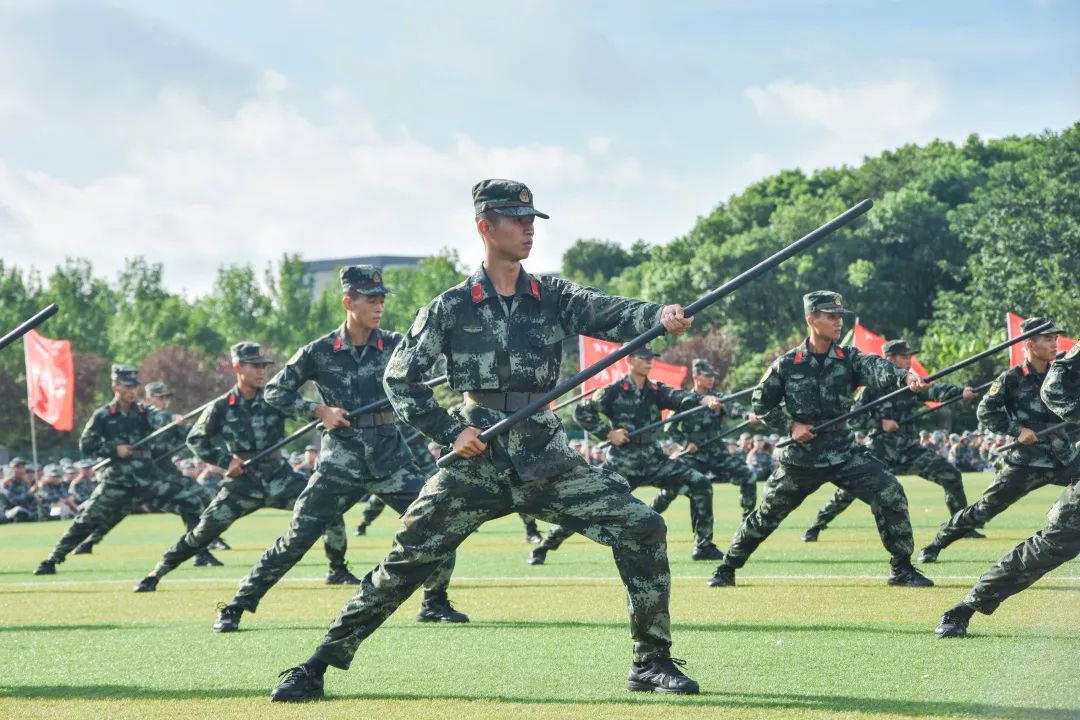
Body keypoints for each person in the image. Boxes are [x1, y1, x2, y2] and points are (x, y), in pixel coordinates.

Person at [269, 179, 700, 702]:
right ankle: (317, 665)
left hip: (546, 456)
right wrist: (452, 431)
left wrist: (659, 317)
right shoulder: (451, 307)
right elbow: (400, 380)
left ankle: (650, 661)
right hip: (477, 460)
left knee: (644, 527)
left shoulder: (553, 296)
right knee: (406, 563)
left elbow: (608, 312)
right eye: (516, 220)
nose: (528, 229)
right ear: (484, 227)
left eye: (531, 220)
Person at [212, 266, 466, 634]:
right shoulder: (318, 352)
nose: (379, 306)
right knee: (297, 537)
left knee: (438, 523)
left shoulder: (397, 345)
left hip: (390, 457)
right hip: (339, 461)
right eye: (370, 300)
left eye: (381, 299)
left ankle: (435, 601)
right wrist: (318, 410)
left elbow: (439, 367)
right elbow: (275, 392)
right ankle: (237, 605)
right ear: (349, 302)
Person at [708, 291, 934, 589]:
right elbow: (761, 404)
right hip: (801, 459)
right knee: (766, 515)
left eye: (840, 316)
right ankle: (727, 568)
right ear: (811, 319)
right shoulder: (787, 364)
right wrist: (791, 426)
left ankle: (902, 569)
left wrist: (905, 377)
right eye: (831, 316)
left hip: (844, 453)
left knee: (890, 491)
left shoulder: (849, 358)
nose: (839, 322)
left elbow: (877, 367)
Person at [133, 342, 354, 593]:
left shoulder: (274, 398)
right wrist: (226, 462)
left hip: (279, 478)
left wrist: (325, 413)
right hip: (243, 483)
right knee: (204, 531)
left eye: (264, 366)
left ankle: (337, 570)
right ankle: (157, 573)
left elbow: (306, 409)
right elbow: (195, 439)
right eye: (255, 366)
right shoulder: (221, 406)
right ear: (238, 368)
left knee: (329, 509)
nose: (262, 371)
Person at [936, 340, 1080, 637]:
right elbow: (1054, 390)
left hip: (1060, 457)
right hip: (1027, 460)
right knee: (1049, 545)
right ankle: (967, 606)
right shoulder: (1016, 377)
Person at [529, 348, 725, 564]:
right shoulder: (613, 391)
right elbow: (582, 411)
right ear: (630, 360)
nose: (650, 362)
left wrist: (702, 400)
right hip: (623, 463)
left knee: (700, 483)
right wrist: (608, 433)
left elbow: (679, 397)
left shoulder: (655, 390)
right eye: (644, 358)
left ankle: (703, 545)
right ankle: (546, 545)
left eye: (652, 358)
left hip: (654, 460)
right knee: (588, 505)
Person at [919, 318, 1079, 563]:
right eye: (1048, 338)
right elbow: (985, 411)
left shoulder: (1063, 374)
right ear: (1029, 344)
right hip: (1026, 462)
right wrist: (1017, 430)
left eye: (1055, 338)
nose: (1054, 343)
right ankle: (936, 543)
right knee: (985, 509)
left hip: (1064, 456)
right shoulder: (1011, 378)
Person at [34, 365, 207, 575]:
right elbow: (86, 445)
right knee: (87, 520)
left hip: (148, 480)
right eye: (127, 386)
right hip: (118, 481)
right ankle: (53, 559)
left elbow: (160, 418)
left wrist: (175, 420)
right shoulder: (104, 415)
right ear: (116, 386)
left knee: (191, 500)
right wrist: (113, 450)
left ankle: (199, 551)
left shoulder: (144, 412)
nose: (132, 391)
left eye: (135, 386)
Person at [801, 339, 979, 542]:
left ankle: (962, 527)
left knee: (951, 475)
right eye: (904, 357)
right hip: (879, 451)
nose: (909, 360)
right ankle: (816, 526)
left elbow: (934, 390)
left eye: (910, 356)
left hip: (909, 450)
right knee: (847, 492)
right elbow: (853, 419)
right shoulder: (870, 389)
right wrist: (880, 421)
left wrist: (961, 393)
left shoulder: (912, 384)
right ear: (889, 359)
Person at [71, 381, 217, 562]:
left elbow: (190, 435)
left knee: (195, 499)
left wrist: (186, 425)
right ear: (148, 398)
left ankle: (203, 544)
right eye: (160, 398)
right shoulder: (141, 416)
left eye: (166, 398)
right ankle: (88, 542)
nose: (164, 402)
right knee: (117, 511)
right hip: (138, 475)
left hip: (163, 473)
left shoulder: (166, 419)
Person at [655, 358, 759, 519]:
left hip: (717, 452)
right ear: (696, 376)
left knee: (748, 476)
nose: (711, 379)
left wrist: (748, 415)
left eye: (713, 376)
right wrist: (685, 443)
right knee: (671, 487)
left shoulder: (718, 398)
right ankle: (648, 517)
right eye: (707, 375)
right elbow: (669, 427)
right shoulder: (686, 400)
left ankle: (748, 518)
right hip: (693, 455)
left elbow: (734, 408)